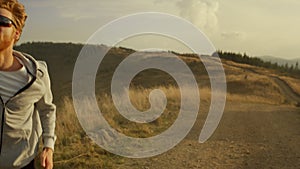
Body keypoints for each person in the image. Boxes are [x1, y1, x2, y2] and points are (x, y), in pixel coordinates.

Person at [0, 0, 56, 169]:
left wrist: (48, 146)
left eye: (2, 22)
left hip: (21, 163)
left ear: (16, 34)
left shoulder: (36, 75)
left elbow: (47, 110)